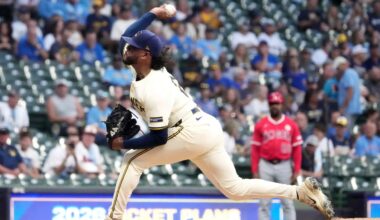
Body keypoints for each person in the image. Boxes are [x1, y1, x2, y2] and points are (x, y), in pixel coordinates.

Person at [105, 5, 334, 220]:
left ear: (145, 55)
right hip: (204, 127)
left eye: (132, 47)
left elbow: (159, 137)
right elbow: (127, 34)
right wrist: (153, 13)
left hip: (190, 131)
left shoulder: (155, 88)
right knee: (235, 189)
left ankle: (114, 217)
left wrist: (123, 143)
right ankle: (300, 193)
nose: (126, 48)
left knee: (132, 160)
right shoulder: (142, 64)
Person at [251, 92, 303, 220]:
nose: (275, 106)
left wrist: (297, 169)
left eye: (277, 103)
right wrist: (255, 169)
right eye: (272, 103)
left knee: (287, 202)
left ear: (282, 105)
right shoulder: (261, 124)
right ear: (269, 105)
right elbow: (255, 149)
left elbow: (297, 149)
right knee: (264, 202)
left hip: (284, 165)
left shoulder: (291, 124)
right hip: (265, 164)